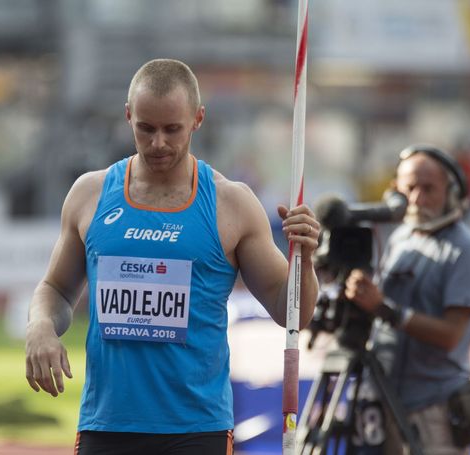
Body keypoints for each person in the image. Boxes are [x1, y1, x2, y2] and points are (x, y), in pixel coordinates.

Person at [24, 58, 320, 455]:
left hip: (196, 430)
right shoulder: (90, 194)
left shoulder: (231, 204)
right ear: (128, 116)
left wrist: (306, 261)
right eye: (145, 129)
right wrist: (40, 327)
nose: (158, 143)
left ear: (198, 119)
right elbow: (56, 289)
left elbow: (293, 315)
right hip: (107, 424)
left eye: (172, 129)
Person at [344, 145, 470, 455]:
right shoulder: (399, 238)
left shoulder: (467, 247)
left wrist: (384, 308)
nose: (416, 199)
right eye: (409, 188)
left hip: (433, 409)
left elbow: (451, 335)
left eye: (428, 189)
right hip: (382, 400)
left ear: (452, 192)